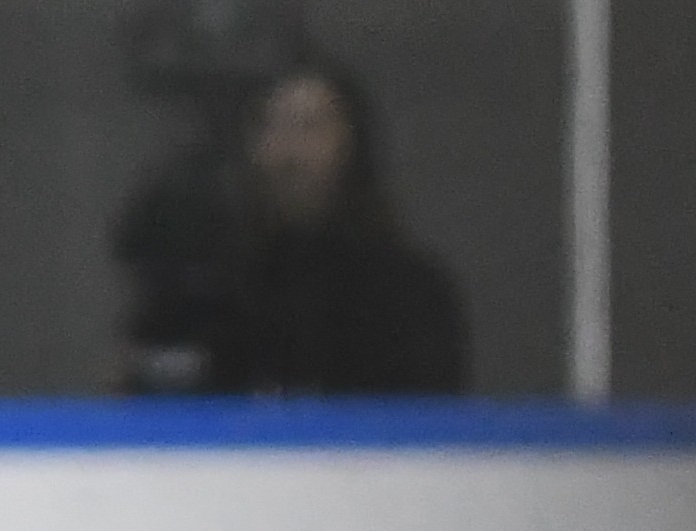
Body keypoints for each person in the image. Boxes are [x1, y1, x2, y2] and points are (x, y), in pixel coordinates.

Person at [117, 59, 467, 395]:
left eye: (309, 127)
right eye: (273, 126)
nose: (290, 154)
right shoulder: (211, 292)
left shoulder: (409, 294)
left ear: (352, 145)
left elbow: (427, 430)